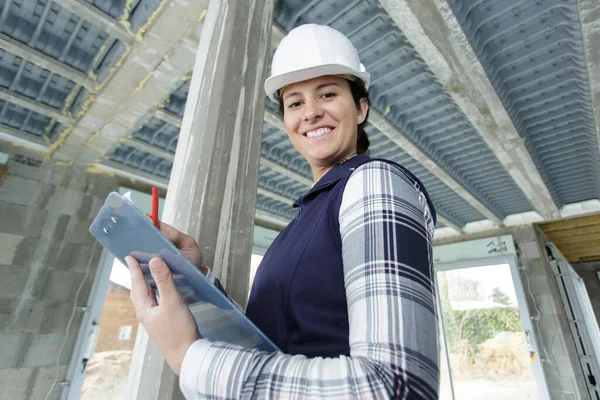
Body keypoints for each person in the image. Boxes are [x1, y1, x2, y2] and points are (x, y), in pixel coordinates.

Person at [126, 24, 439, 399]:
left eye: (327, 93)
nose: (310, 113)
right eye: (295, 103)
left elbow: (399, 388)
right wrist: (197, 279)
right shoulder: (306, 218)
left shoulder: (374, 182)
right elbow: (268, 345)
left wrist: (188, 355)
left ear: (361, 108)